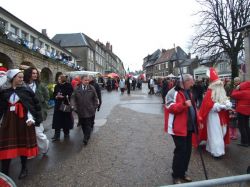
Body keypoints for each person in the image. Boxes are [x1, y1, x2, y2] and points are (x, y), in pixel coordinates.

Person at [0, 69, 42, 179]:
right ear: (13, 78)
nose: (21, 79)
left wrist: (32, 118)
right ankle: (4, 173)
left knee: (23, 145)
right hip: (8, 122)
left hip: (24, 121)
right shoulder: (4, 91)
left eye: (22, 77)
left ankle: (24, 168)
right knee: (5, 147)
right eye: (19, 77)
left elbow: (33, 105)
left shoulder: (26, 90)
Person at [164, 74, 199, 184]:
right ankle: (176, 175)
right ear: (185, 81)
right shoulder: (172, 92)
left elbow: (193, 108)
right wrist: (183, 104)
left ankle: (183, 172)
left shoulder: (189, 91)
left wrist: (199, 119)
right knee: (180, 151)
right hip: (177, 128)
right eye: (191, 81)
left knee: (188, 151)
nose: (193, 84)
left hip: (189, 127)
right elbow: (170, 107)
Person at [199, 68, 232, 158]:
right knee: (215, 133)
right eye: (218, 85)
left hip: (222, 116)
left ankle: (211, 147)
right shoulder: (209, 92)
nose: (220, 87)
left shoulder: (221, 92)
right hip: (213, 116)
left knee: (222, 131)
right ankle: (217, 152)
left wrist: (227, 103)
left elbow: (224, 99)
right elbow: (208, 106)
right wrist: (220, 106)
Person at [23, 67, 50, 155]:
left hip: (38, 112)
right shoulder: (23, 85)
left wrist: (43, 107)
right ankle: (30, 151)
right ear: (28, 74)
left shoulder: (40, 85)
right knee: (27, 133)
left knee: (38, 133)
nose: (35, 75)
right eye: (33, 73)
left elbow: (47, 97)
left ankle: (45, 147)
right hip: (26, 112)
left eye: (36, 73)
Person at [71, 75, 99, 145]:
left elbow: (95, 98)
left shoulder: (91, 88)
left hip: (90, 110)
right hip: (80, 110)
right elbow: (73, 98)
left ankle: (86, 138)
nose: (87, 81)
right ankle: (86, 135)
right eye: (85, 80)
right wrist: (73, 106)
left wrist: (95, 106)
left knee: (88, 124)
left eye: (88, 80)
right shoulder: (77, 88)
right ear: (81, 80)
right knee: (83, 124)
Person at [51, 74, 74, 141]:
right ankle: (56, 135)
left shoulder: (68, 85)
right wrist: (56, 96)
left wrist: (63, 97)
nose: (58, 80)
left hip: (65, 105)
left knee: (65, 120)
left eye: (59, 79)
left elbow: (71, 95)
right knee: (57, 121)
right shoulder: (57, 86)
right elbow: (54, 94)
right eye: (58, 79)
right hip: (58, 106)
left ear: (63, 79)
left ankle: (66, 133)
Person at [231, 79, 250, 147]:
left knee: (241, 126)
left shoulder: (243, 92)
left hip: (241, 110)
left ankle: (244, 142)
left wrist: (236, 89)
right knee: (246, 126)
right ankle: (248, 141)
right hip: (248, 110)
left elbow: (233, 95)